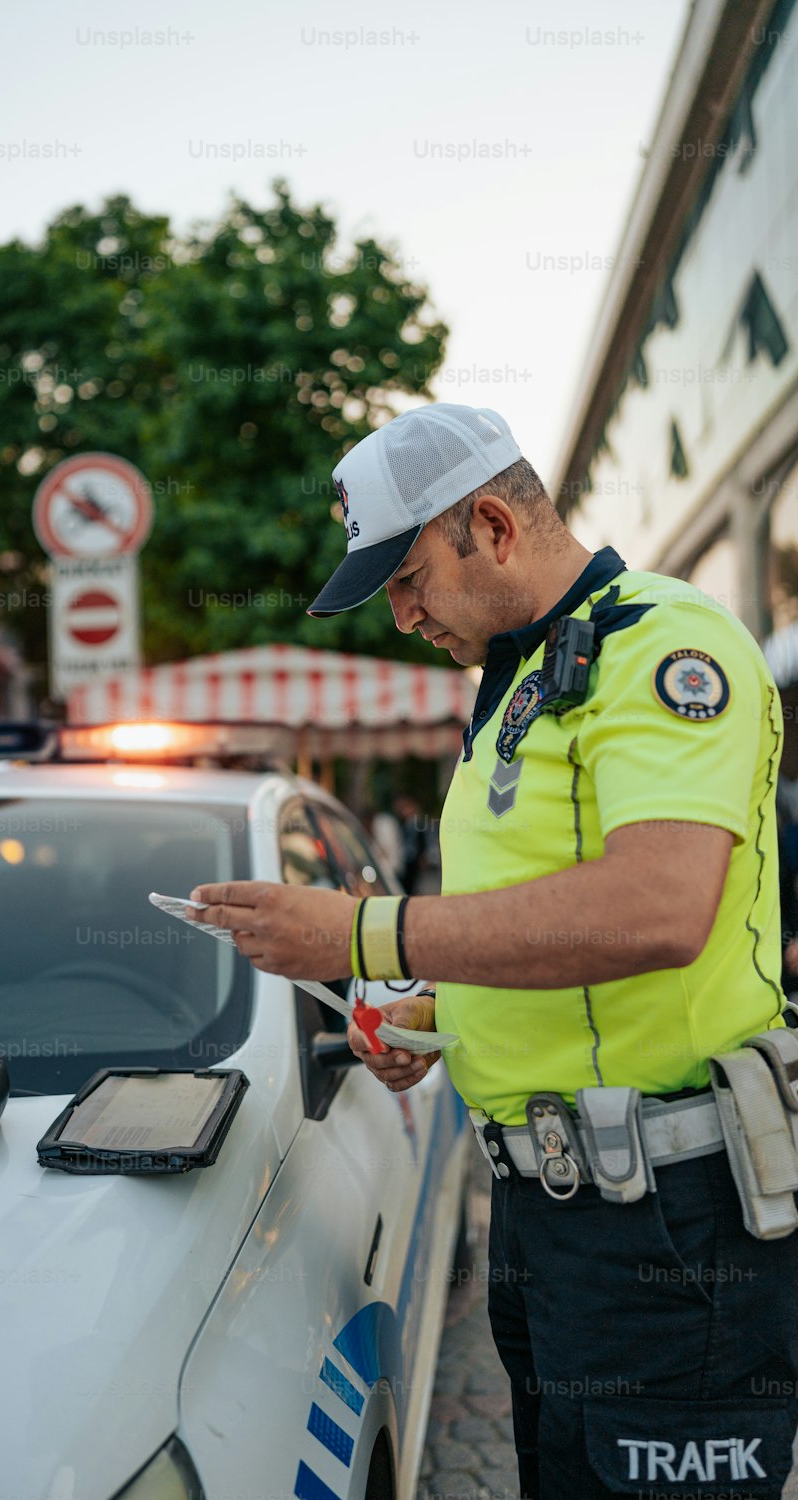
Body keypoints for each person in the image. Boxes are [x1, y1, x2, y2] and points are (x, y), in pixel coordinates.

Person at [190, 403, 798, 1499]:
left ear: (492, 524)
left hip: (670, 1212)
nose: (404, 615)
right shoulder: (521, 680)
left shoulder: (661, 643)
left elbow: (659, 909)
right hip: (551, 1211)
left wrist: (365, 932)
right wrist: (441, 1013)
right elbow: (550, 928)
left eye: (409, 578)